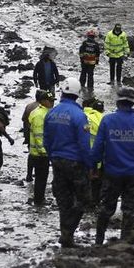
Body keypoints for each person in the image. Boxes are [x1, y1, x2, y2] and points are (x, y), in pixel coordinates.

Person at [91, 86, 134, 245]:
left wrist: (94, 166)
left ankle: (99, 240)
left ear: (118, 102)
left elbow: (97, 147)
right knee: (129, 210)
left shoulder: (107, 120)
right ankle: (124, 242)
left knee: (106, 208)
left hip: (112, 173)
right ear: (132, 103)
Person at [44, 77, 92, 247]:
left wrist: (53, 157)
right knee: (84, 198)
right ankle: (68, 231)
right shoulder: (80, 116)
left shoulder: (51, 113)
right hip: (76, 163)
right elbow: (84, 144)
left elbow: (46, 141)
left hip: (57, 161)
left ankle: (66, 234)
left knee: (63, 199)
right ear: (77, 94)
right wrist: (90, 164)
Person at [26, 90, 54, 204]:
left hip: (39, 152)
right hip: (40, 153)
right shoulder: (39, 115)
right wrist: (44, 151)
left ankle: (39, 198)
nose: (51, 103)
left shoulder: (43, 112)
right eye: (49, 101)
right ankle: (39, 200)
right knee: (41, 178)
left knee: (42, 177)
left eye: (52, 101)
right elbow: (38, 135)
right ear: (43, 101)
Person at [84, 97, 106, 205]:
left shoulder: (84, 117)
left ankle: (85, 200)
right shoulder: (103, 119)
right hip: (97, 154)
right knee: (97, 181)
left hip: (84, 152)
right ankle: (95, 201)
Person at [21, 90, 45, 182]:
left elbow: (23, 119)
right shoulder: (43, 108)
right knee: (41, 156)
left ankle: (29, 174)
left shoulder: (29, 106)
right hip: (40, 135)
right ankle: (38, 174)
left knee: (31, 154)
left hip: (29, 133)